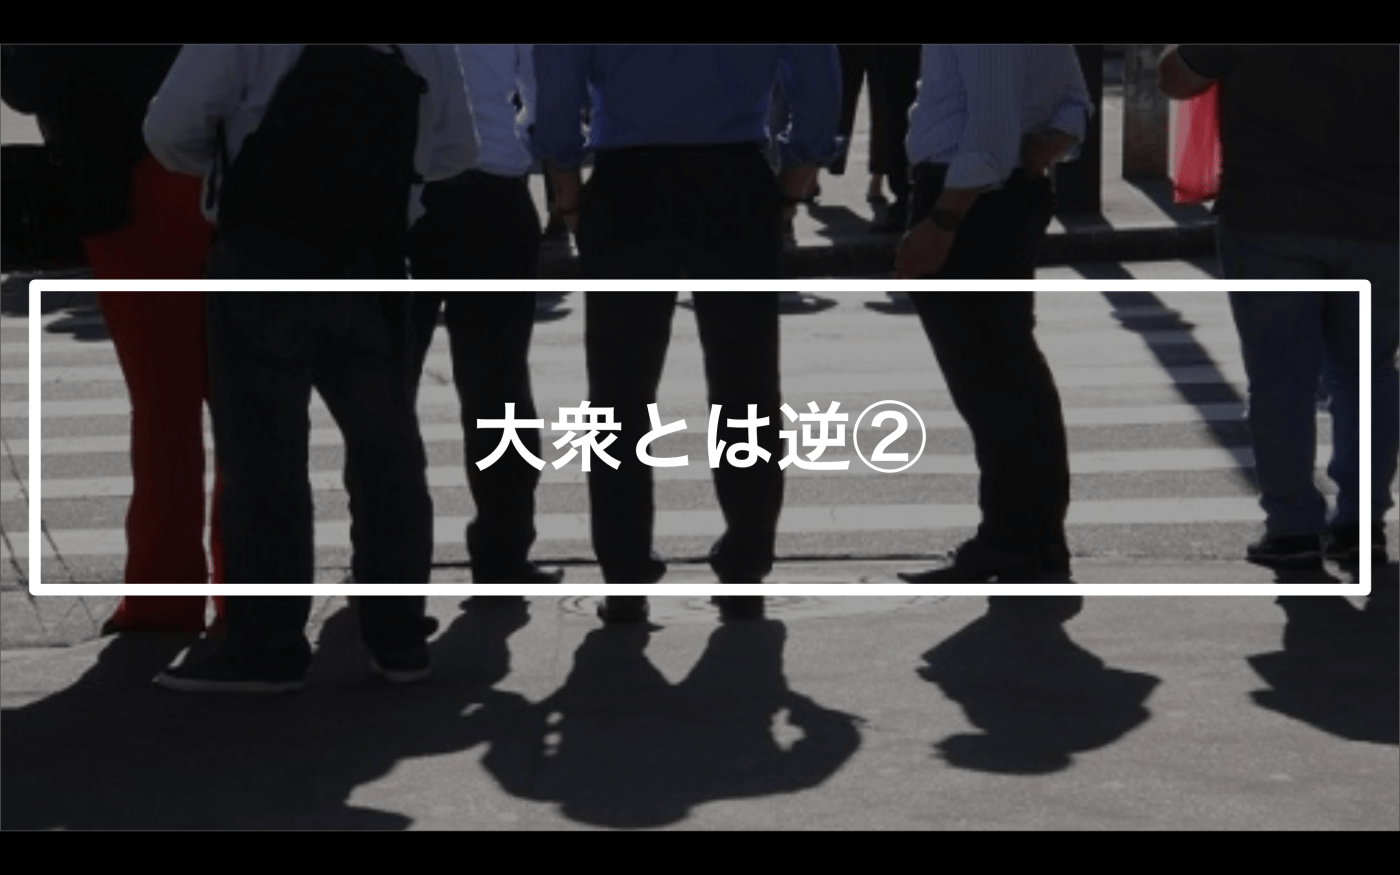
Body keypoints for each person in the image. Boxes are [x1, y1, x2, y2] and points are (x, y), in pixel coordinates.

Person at [142, 44, 477, 692]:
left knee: (263, 457)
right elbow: (459, 148)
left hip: (263, 255)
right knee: (388, 453)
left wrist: (248, 166)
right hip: (375, 260)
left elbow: (168, 130)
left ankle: (267, 648)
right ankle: (400, 639)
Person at [533, 45, 841, 624]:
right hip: (732, 177)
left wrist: (566, 184)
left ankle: (624, 572)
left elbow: (555, 80)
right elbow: (817, 75)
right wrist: (798, 173)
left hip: (629, 182)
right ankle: (745, 565)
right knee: (746, 382)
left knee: (618, 392)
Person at [1, 45, 224, 633]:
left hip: (128, 186)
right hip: (230, 184)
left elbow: (27, 82)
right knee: (243, 404)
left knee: (163, 405)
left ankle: (164, 593)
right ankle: (253, 588)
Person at [1158, 45, 1399, 568]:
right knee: (1368, 375)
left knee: (1280, 379)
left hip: (1268, 218)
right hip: (1381, 219)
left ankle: (1292, 528)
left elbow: (1175, 79)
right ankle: (1361, 526)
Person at [893, 45, 1090, 604]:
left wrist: (943, 219)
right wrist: (1054, 141)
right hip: (1002, 191)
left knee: (990, 379)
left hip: (973, 198)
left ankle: (1016, 537)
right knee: (1009, 371)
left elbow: (991, 133)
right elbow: (1073, 103)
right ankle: (1032, 536)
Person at [406, 45, 561, 586]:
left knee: (385, 389)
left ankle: (385, 557)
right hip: (493, 194)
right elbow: (543, 96)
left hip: (403, 197)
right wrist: (513, 138)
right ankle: (502, 552)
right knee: (498, 386)